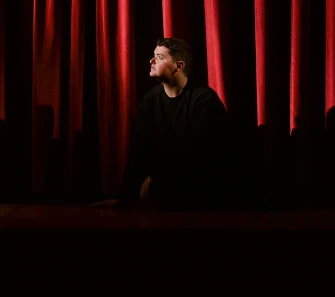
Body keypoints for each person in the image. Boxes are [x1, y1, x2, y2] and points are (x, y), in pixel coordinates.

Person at [92, 37, 235, 210]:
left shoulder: (204, 100)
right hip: (160, 193)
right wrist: (124, 200)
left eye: (159, 57)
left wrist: (159, 176)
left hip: (201, 195)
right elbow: (138, 151)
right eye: (154, 56)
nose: (151, 61)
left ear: (179, 66)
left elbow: (201, 154)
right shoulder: (150, 99)